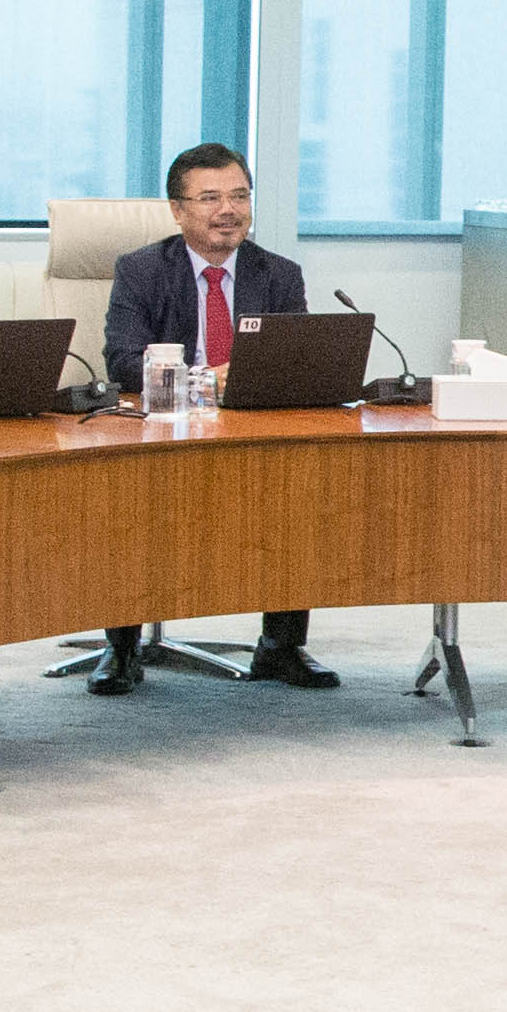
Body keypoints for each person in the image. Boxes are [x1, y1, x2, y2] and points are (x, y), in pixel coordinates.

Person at [89, 142, 339, 695]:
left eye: (239, 196)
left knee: (297, 484)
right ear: (178, 211)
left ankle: (280, 646)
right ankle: (122, 647)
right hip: (166, 425)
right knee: (129, 492)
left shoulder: (278, 274)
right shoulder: (141, 270)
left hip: (253, 424)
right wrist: (205, 379)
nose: (228, 210)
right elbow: (123, 363)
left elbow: (296, 362)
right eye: (210, 198)